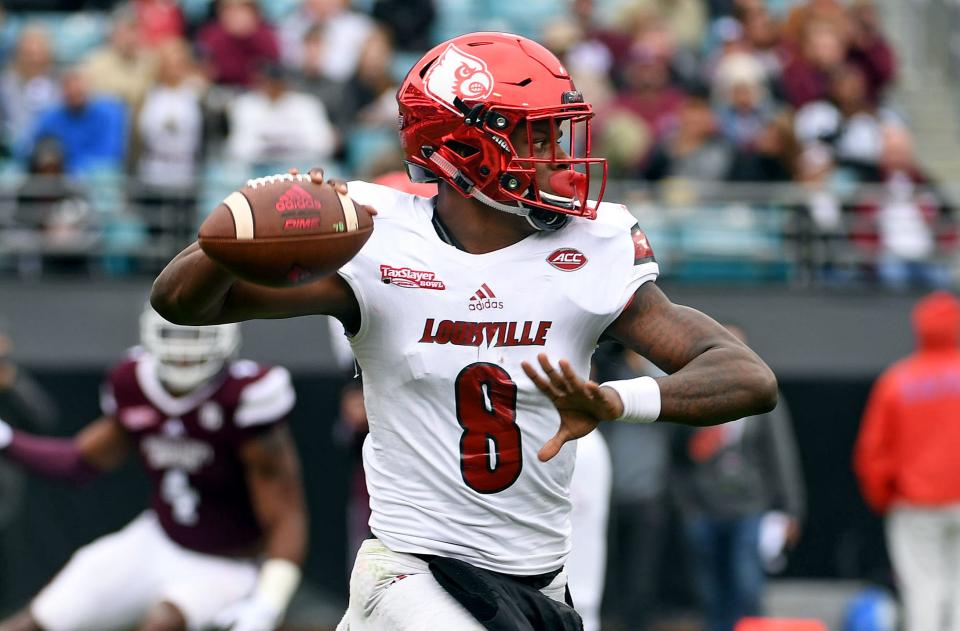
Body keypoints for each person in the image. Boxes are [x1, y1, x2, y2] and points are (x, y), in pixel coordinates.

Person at [151, 32, 778, 630]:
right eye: (537, 136)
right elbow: (182, 303)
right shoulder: (374, 236)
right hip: (413, 573)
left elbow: (746, 377)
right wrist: (239, 235)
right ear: (465, 146)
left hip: (537, 582)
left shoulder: (593, 246)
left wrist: (616, 400)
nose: (558, 157)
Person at [0, 306, 305, 631]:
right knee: (41, 618)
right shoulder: (133, 383)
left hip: (230, 561)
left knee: (162, 624)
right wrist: (5, 439)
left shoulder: (246, 397)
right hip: (159, 538)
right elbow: (77, 464)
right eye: (175, 337)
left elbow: (286, 514)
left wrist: (268, 602)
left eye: (196, 338)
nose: (185, 354)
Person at [673, 324, 805, 631]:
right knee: (709, 594)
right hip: (702, 510)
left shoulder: (763, 395)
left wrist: (792, 509)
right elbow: (674, 456)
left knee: (746, 588)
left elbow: (780, 455)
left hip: (748, 509)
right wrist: (685, 505)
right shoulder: (692, 392)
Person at [854, 291, 960, 631]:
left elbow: (871, 452)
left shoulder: (897, 380)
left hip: (915, 506)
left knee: (924, 590)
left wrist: (884, 499)